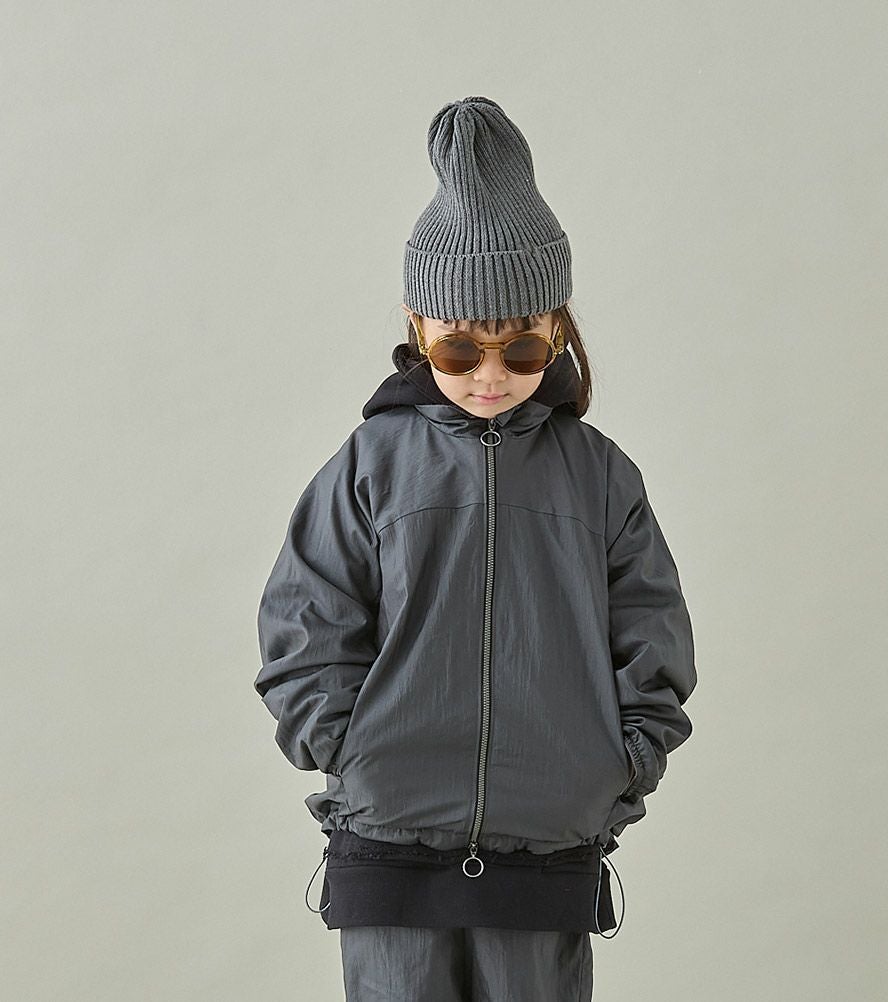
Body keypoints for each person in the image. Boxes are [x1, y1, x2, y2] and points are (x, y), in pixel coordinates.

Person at [253, 95, 697, 1002]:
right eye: (460, 350)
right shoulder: (369, 466)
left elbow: (652, 633)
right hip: (389, 840)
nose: (491, 375)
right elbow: (305, 625)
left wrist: (615, 769)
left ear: (557, 330)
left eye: (522, 348)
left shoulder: (599, 476)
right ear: (417, 328)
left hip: (548, 845)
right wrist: (354, 752)